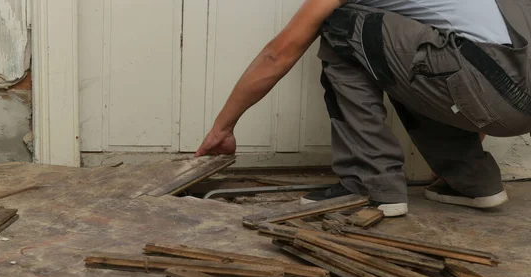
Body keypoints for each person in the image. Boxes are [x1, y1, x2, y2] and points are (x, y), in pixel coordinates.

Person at [194, 0, 531, 217]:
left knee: (341, 25)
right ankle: (471, 181)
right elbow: (490, 50)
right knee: (396, 49)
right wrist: (473, 135)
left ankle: (369, 184)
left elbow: (277, 54)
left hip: (486, 88)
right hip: (514, 95)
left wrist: (223, 128)